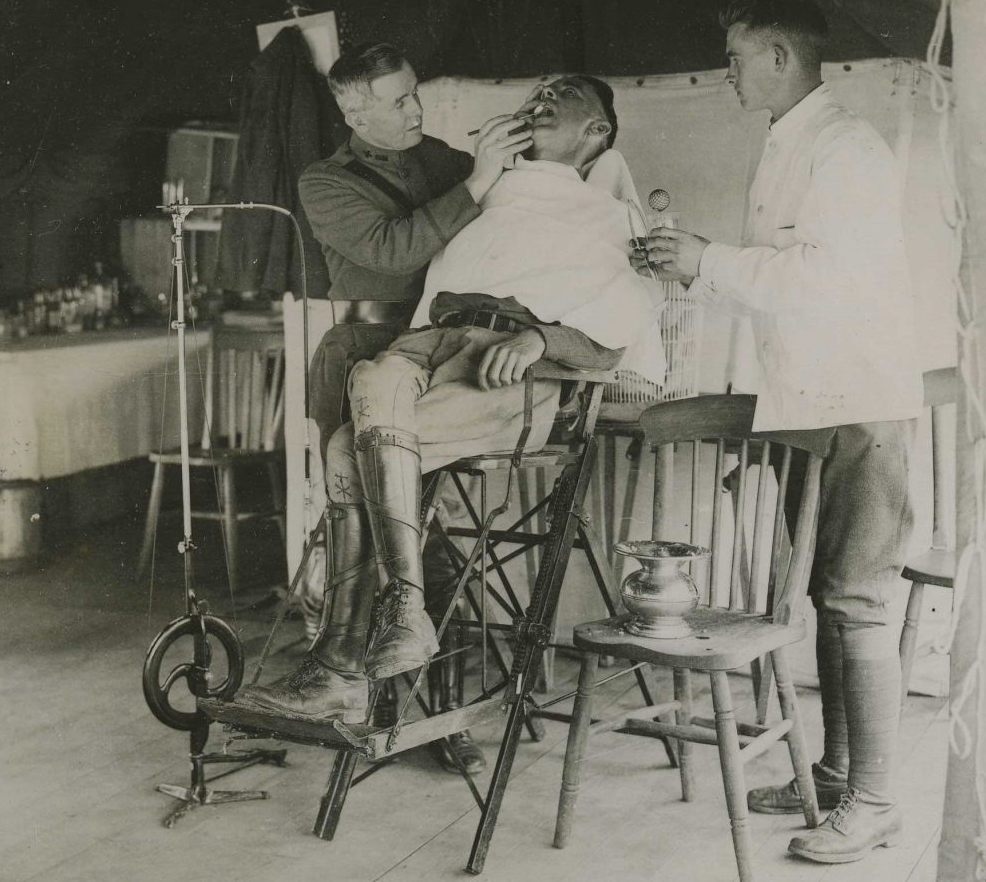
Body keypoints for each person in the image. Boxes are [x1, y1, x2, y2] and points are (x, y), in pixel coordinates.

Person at [235, 75, 665, 726]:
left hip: (512, 377)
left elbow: (613, 343)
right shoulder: (486, 200)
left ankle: (343, 667)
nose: (540, 98)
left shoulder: (610, 218)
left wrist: (537, 339)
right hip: (435, 345)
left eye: (564, 95)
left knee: (344, 445)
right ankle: (406, 610)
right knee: (369, 378)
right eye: (536, 93)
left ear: (597, 132)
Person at [637, 0, 923, 864]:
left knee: (857, 598)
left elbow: (827, 281)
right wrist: (700, 270)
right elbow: (786, 275)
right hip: (809, 403)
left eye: (734, 57)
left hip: (859, 403)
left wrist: (707, 261)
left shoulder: (846, 148)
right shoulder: (791, 142)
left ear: (778, 57)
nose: (726, 72)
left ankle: (873, 799)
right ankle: (836, 773)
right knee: (827, 597)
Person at [298, 43, 531, 774]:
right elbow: (395, 251)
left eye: (414, 95)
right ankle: (362, 694)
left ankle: (432, 711)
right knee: (363, 532)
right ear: (351, 109)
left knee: (422, 535)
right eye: (397, 102)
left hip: (438, 359)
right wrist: (481, 179)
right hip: (362, 354)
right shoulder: (325, 182)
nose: (416, 111)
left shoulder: (443, 160)